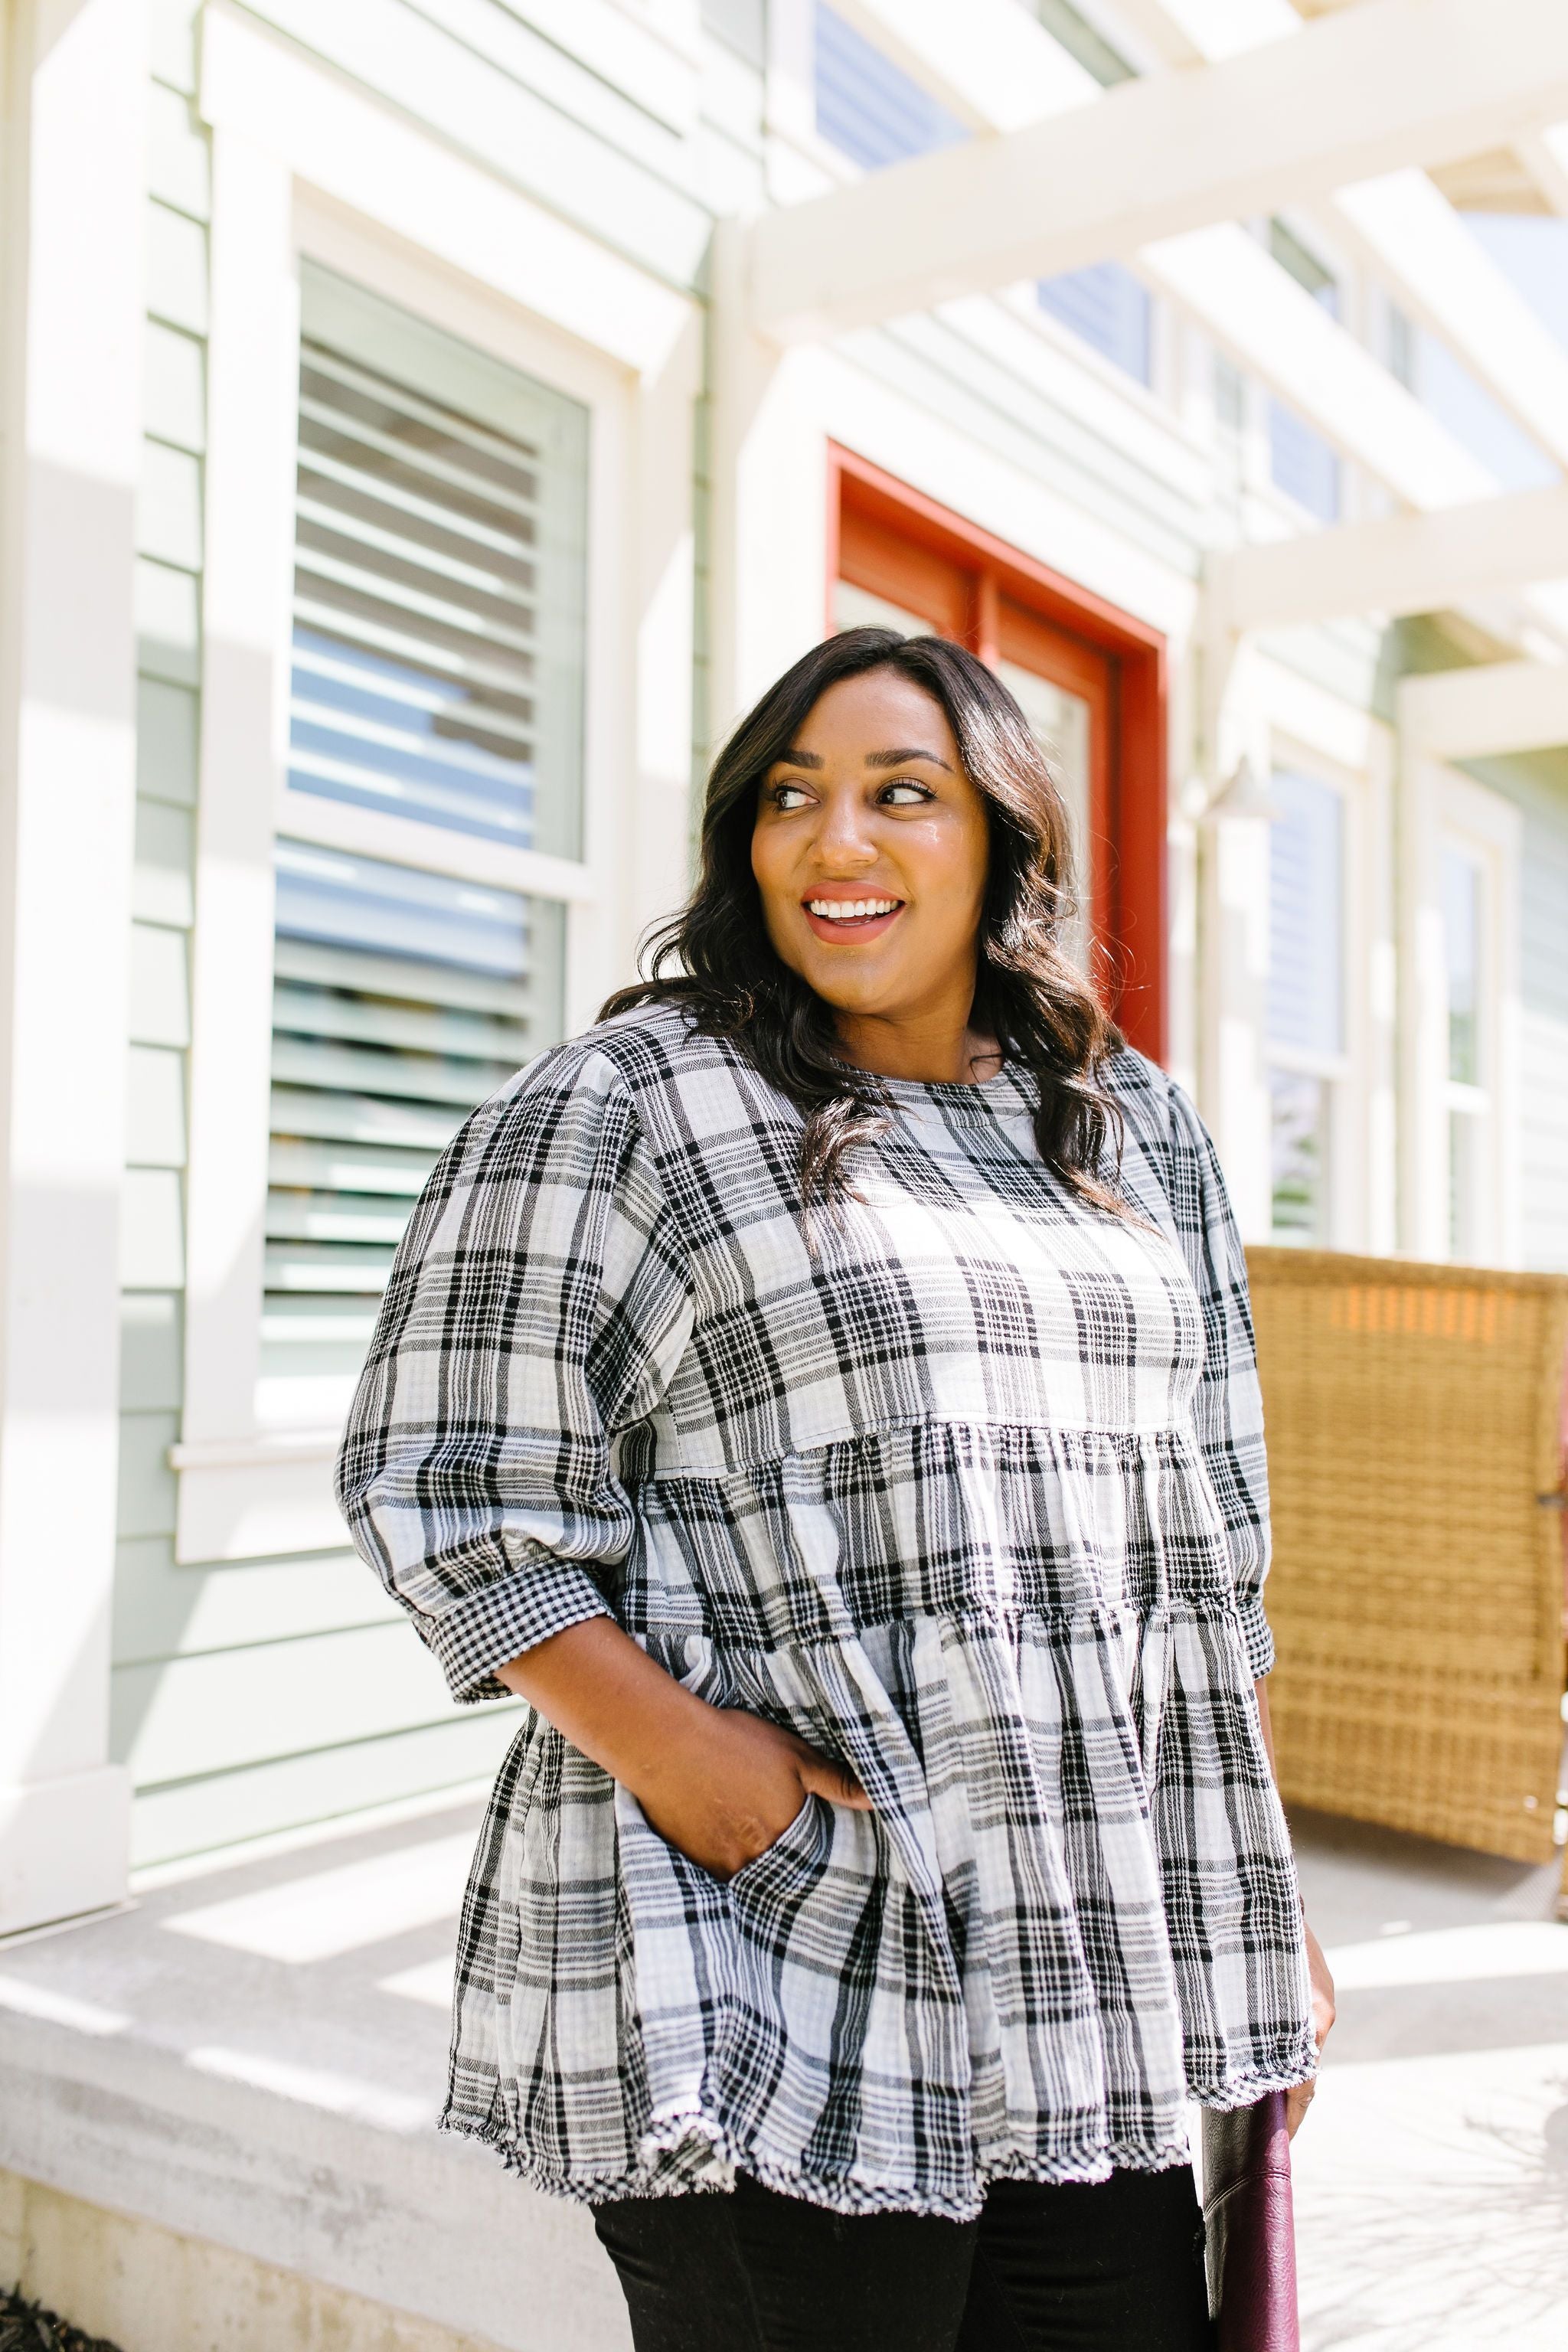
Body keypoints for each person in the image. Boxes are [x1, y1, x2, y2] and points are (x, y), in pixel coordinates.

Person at [337, 628, 1335, 2351]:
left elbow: (1210, 1547)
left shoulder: (1126, 1125)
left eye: (901, 793)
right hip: (775, 1938)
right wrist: (691, 1764)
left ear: (1002, 843)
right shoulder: (628, 1100)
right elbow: (441, 1478)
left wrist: (1261, 1907)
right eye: (788, 797)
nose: (835, 841)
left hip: (1081, 1947)